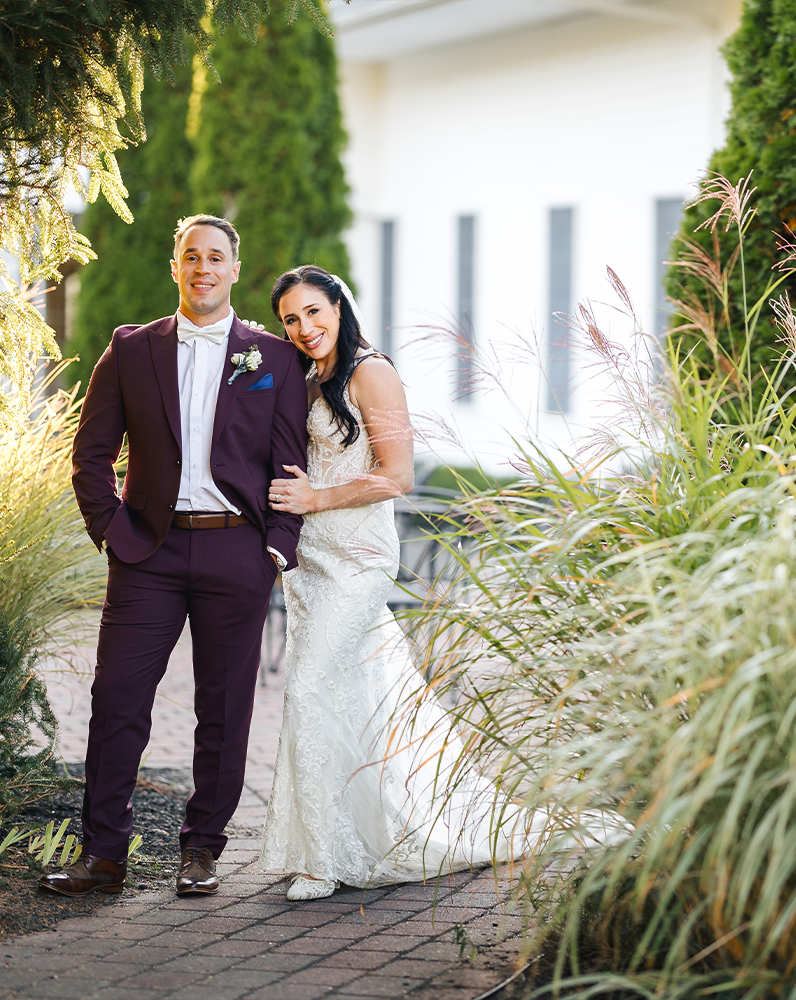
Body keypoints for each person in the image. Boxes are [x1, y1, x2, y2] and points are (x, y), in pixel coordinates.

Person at [261, 265, 595, 901]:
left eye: (313, 311)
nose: (305, 328)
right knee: (346, 696)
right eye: (291, 320)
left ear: (339, 305)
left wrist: (315, 497)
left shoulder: (371, 371)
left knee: (305, 691)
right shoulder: (309, 377)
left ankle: (322, 861)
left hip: (358, 559)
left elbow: (399, 475)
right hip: (312, 563)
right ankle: (357, 832)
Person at [42, 215, 309, 899]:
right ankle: (103, 856)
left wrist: (276, 549)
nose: (202, 268)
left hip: (236, 552)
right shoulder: (132, 350)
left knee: (225, 709)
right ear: (175, 268)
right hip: (148, 554)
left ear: (232, 270)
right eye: (191, 257)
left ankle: (202, 851)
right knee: (117, 700)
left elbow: (289, 459)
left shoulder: (272, 359)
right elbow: (90, 454)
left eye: (215, 257)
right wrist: (111, 531)